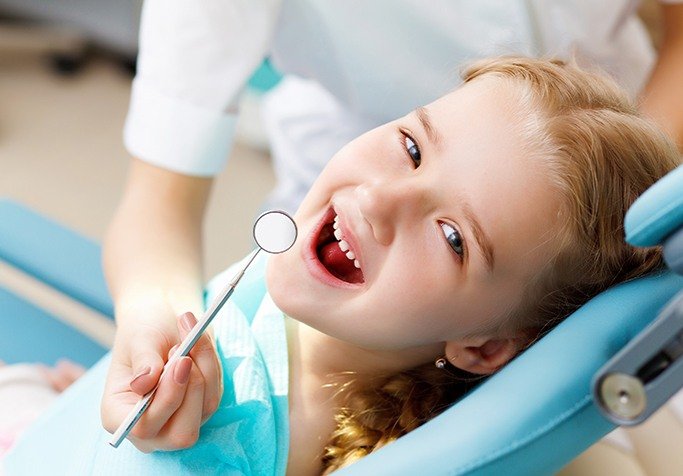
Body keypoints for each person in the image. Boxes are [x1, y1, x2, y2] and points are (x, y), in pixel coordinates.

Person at [2, 57, 681, 475]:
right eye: (412, 148)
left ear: (485, 345)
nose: (381, 198)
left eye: (451, 237)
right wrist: (140, 332)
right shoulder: (328, 291)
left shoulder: (221, 446)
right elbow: (153, 217)